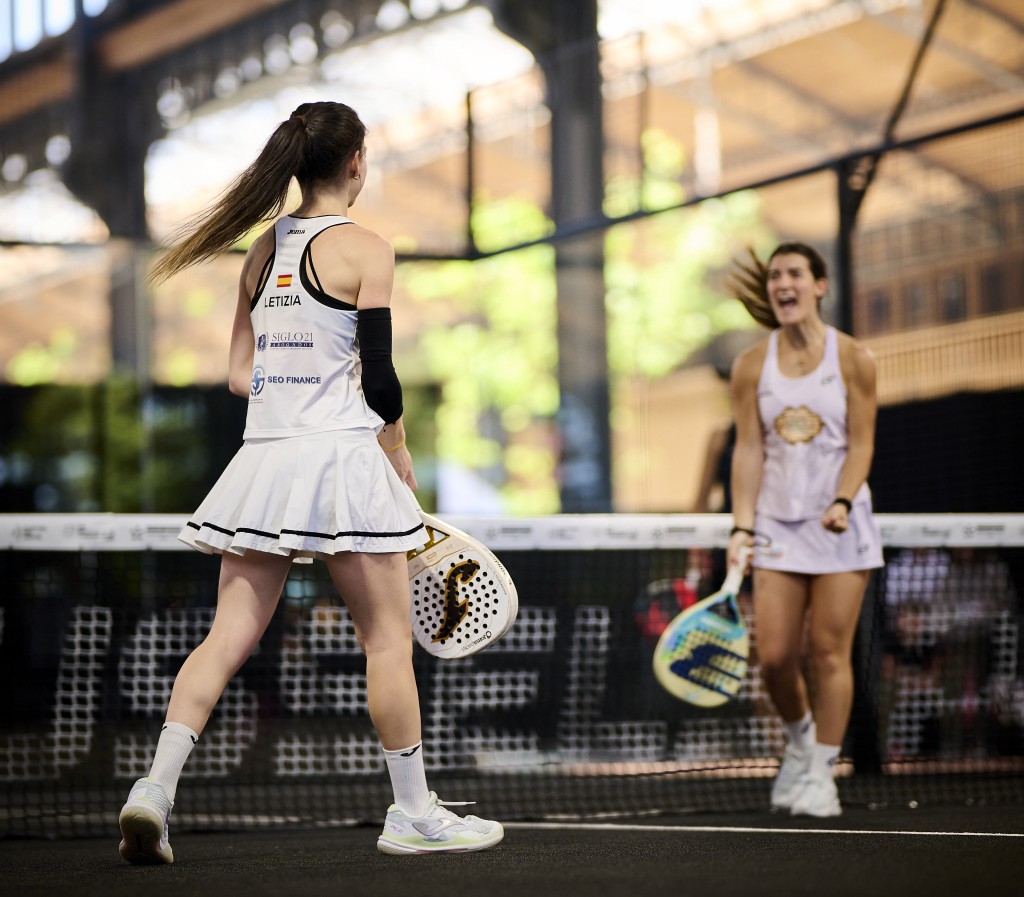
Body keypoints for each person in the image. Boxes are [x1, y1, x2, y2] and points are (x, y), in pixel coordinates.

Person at [117, 101, 504, 863]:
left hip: (265, 460)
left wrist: (303, 382)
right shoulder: (367, 248)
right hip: (343, 462)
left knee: (226, 636)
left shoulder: (262, 250)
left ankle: (154, 790)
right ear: (356, 162)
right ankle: (413, 813)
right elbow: (383, 382)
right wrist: (396, 448)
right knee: (387, 641)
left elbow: (240, 374)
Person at [725, 242, 883, 818]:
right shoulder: (751, 365)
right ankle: (800, 743)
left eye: (794, 273)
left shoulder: (854, 358)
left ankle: (821, 773)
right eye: (774, 276)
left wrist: (842, 499)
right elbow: (748, 450)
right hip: (776, 528)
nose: (782, 284)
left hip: (839, 527)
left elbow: (862, 443)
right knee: (773, 658)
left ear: (819, 285)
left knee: (828, 654)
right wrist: (741, 527)